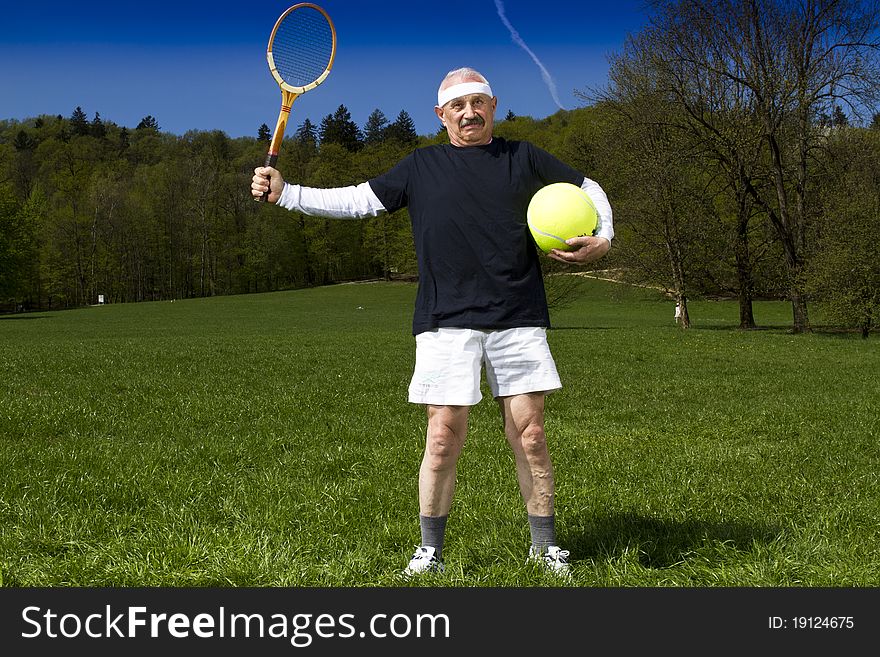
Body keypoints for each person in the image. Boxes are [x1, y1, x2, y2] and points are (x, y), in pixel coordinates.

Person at [251, 67, 614, 577]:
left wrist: (605, 238)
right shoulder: (420, 167)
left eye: (478, 102)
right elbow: (357, 200)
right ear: (440, 115)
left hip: (518, 315)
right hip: (445, 320)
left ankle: (545, 546)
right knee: (443, 435)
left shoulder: (524, 157)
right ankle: (430, 551)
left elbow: (589, 186)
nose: (469, 112)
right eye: (458, 105)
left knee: (530, 434)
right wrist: (287, 193)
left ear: (493, 105)